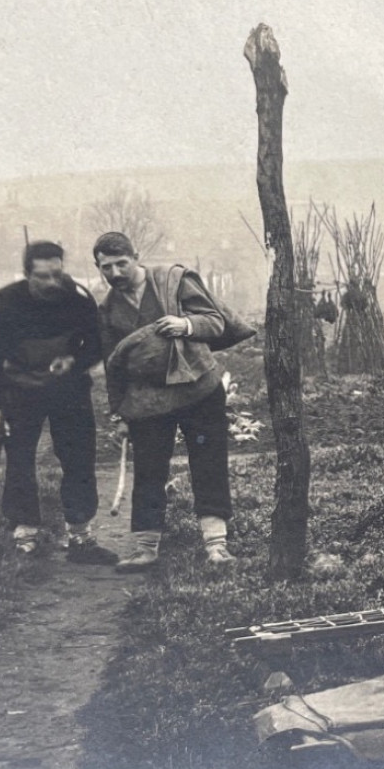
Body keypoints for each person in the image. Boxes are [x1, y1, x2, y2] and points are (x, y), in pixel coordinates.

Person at [92, 232, 254, 571]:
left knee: (208, 463)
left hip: (199, 388)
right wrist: (120, 414)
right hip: (148, 400)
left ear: (136, 257)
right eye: (107, 267)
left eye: (122, 263)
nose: (116, 272)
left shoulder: (173, 280)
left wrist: (185, 324)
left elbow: (215, 321)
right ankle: (145, 548)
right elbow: (114, 366)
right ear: (98, 268)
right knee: (149, 470)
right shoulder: (106, 310)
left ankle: (216, 545)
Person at [0, 240, 103, 556]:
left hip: (68, 389)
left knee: (79, 458)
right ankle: (25, 534)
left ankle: (80, 535)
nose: (52, 283)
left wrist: (74, 360)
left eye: (56, 274)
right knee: (19, 460)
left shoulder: (78, 299)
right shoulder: (7, 302)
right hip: (19, 391)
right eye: (43, 276)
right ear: (27, 274)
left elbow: (98, 343)